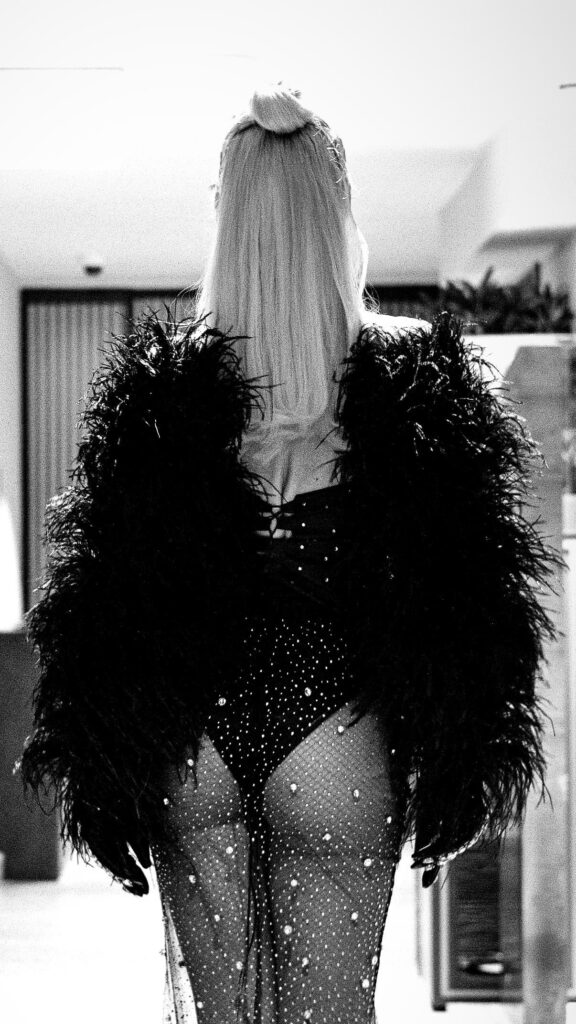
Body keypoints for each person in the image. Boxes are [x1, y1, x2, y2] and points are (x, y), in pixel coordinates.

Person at [18, 84, 564, 1024]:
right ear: (339, 212)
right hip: (339, 738)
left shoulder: (163, 397)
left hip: (195, 742)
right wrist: (468, 764)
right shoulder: (417, 384)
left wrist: (99, 776)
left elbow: (98, 609)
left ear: (226, 218)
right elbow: (476, 603)